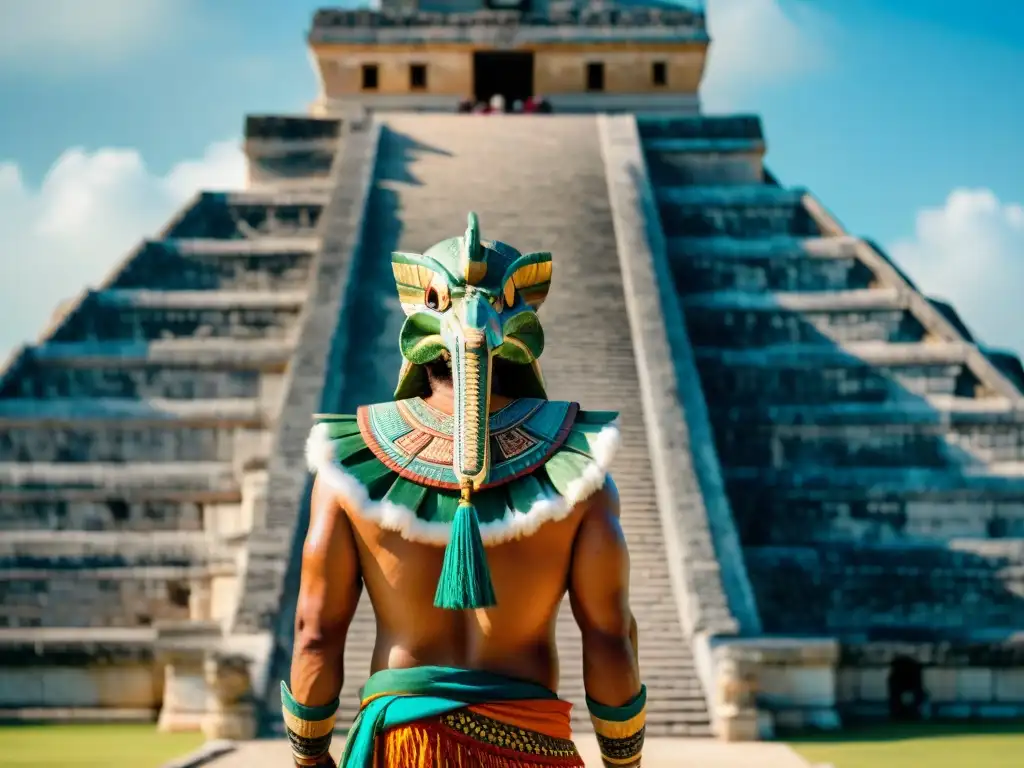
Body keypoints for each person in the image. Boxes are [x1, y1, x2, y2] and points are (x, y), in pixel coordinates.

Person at [283, 213, 645, 767]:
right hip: (531, 749)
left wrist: (310, 757)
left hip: (401, 750)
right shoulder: (582, 471)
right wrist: (625, 763)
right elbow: (609, 637)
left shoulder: (344, 464)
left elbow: (313, 633)